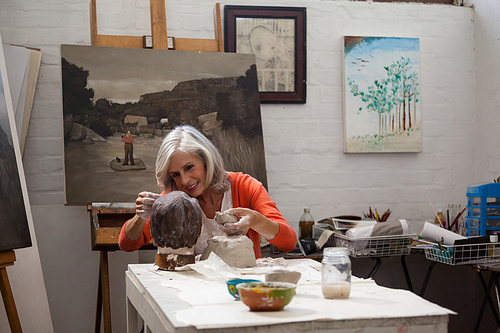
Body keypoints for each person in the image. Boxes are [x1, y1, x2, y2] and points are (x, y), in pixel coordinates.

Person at [118, 124, 296, 258]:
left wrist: (256, 220)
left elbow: (288, 242)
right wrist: (141, 217)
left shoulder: (245, 186)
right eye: (176, 174)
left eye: (189, 167)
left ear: (206, 160)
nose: (185, 180)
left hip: (241, 287)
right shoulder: (175, 199)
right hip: (194, 291)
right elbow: (127, 244)